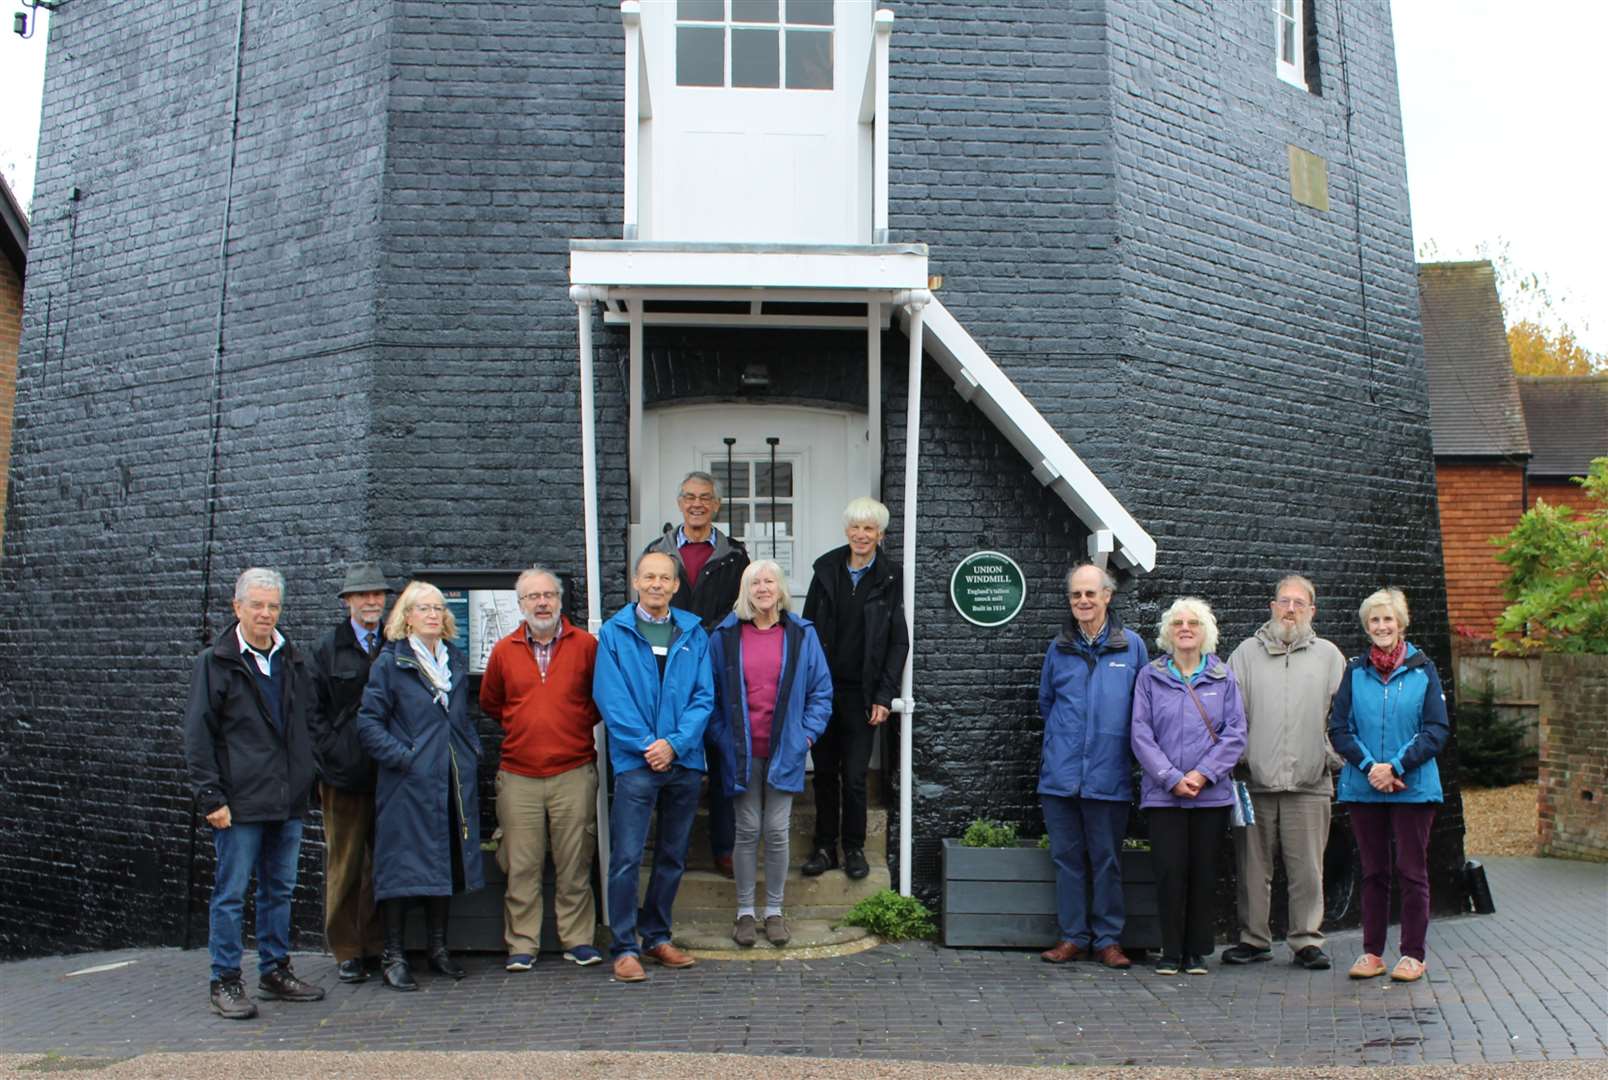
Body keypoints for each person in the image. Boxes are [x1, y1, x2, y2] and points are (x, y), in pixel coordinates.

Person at [184, 567, 326, 1019]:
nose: (266, 614)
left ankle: (273, 971)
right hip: (238, 803)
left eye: (273, 606)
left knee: (279, 891)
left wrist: (308, 778)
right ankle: (224, 980)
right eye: (257, 605)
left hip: (286, 801)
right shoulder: (217, 661)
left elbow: (306, 725)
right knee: (231, 894)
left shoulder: (292, 659)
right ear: (237, 607)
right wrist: (211, 797)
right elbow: (198, 734)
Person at [593, 550, 715, 983]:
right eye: (650, 578)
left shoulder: (693, 632)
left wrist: (676, 744)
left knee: (672, 856)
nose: (658, 585)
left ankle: (657, 936)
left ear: (676, 585)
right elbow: (611, 699)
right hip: (637, 763)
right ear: (636, 582)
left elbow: (705, 697)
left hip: (682, 761)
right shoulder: (614, 633)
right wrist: (649, 746)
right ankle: (624, 946)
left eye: (665, 578)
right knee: (626, 858)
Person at [356, 580, 484, 991]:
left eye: (438, 608)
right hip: (407, 785)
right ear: (407, 616)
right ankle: (393, 954)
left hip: (450, 780)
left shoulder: (455, 662)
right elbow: (368, 723)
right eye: (424, 608)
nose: (433, 614)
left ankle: (438, 949)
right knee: (401, 867)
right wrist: (404, 758)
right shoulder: (391, 664)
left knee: (444, 861)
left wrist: (471, 751)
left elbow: (462, 720)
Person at [479, 566, 604, 972]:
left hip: (574, 770)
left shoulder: (586, 646)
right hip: (519, 775)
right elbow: (492, 704)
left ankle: (578, 940)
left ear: (560, 600)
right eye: (533, 597)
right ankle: (522, 944)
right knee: (521, 863)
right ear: (521, 604)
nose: (542, 602)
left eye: (549, 595)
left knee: (575, 862)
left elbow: (600, 699)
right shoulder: (503, 651)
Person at [707, 560, 834, 948]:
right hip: (741, 752)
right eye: (755, 582)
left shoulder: (801, 634)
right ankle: (745, 912)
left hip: (785, 751)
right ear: (746, 591)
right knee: (746, 830)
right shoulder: (725, 635)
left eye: (770, 581)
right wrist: (722, 738)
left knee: (777, 831)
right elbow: (708, 695)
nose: (763, 588)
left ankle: (774, 911)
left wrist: (806, 737)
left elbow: (820, 692)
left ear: (781, 589)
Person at [1223, 574, 1346, 971]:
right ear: (1272, 607)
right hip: (1253, 782)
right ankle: (1254, 939)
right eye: (1283, 602)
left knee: (1307, 870)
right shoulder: (1244, 654)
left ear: (1312, 610)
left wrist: (1328, 755)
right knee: (1252, 868)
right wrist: (1241, 758)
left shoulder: (1330, 656)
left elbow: (1343, 716)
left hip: (1310, 784)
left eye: (1299, 603)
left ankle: (1306, 940)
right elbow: (1228, 714)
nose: (1290, 609)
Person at [1328, 588, 1449, 984]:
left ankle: (1413, 954)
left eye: (1388, 619)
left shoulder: (1423, 669)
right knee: (1373, 872)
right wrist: (1370, 767)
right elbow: (1339, 728)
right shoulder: (1354, 672)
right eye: (1374, 621)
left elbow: (1435, 731)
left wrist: (1394, 766)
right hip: (1364, 788)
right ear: (1367, 626)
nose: (1381, 627)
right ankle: (1372, 953)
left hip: (1413, 788)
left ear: (1401, 624)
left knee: (1411, 871)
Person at [1036, 563, 1147, 970]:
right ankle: (1072, 937)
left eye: (1090, 594)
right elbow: (1047, 704)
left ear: (1107, 596)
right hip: (1060, 778)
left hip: (1109, 776)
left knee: (1106, 861)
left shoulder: (1131, 647)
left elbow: (1141, 709)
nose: (1083, 601)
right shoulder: (1058, 648)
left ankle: (1108, 940)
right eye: (1075, 595)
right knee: (1066, 861)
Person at [1130, 597, 1247, 976]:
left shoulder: (1223, 676)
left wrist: (1200, 775)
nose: (1185, 628)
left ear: (1205, 632)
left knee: (1202, 871)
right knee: (1168, 871)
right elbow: (1140, 734)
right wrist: (1171, 778)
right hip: (1163, 796)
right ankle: (1170, 949)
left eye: (1193, 623)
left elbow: (1235, 734)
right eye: (1178, 622)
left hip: (1209, 796)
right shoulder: (1150, 676)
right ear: (1168, 632)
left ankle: (1196, 951)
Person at [641, 470, 749, 878]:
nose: (697, 504)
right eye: (690, 497)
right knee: (675, 758)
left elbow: (743, 611)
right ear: (679, 503)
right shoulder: (658, 551)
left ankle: (725, 848)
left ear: (717, 505)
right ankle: (674, 851)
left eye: (705, 498)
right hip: (669, 672)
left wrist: (708, 638)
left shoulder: (736, 556)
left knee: (722, 760)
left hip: (719, 670)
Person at [801, 497, 909, 881]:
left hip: (862, 695)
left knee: (856, 776)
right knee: (825, 773)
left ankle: (855, 848)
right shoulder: (826, 569)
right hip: (823, 692)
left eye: (870, 529)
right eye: (856, 527)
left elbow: (899, 642)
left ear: (880, 535)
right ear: (847, 530)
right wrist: (805, 690)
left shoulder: (891, 576)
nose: (861, 535)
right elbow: (806, 632)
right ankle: (825, 847)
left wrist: (884, 695)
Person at [308, 562, 390, 984]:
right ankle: (345, 947)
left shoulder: (395, 642)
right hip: (343, 775)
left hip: (386, 773)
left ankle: (374, 942)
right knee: (345, 861)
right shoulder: (328, 648)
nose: (372, 601)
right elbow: (313, 712)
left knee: (380, 863)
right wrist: (333, 757)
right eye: (362, 595)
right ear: (347, 602)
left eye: (377, 594)